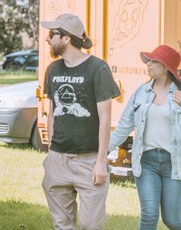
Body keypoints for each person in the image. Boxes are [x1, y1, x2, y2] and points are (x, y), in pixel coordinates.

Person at [109, 44, 181, 230]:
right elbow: (123, 127)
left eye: (153, 61)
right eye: (148, 61)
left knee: (172, 220)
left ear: (166, 67)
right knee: (149, 216)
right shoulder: (141, 92)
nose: (148, 64)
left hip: (176, 164)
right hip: (147, 163)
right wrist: (101, 152)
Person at [40, 13, 120, 230]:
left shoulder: (97, 68)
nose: (47, 39)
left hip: (89, 161)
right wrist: (51, 152)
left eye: (52, 34)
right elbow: (53, 112)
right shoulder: (53, 70)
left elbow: (105, 118)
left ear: (66, 38)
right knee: (62, 225)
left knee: (90, 225)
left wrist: (101, 161)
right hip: (58, 160)